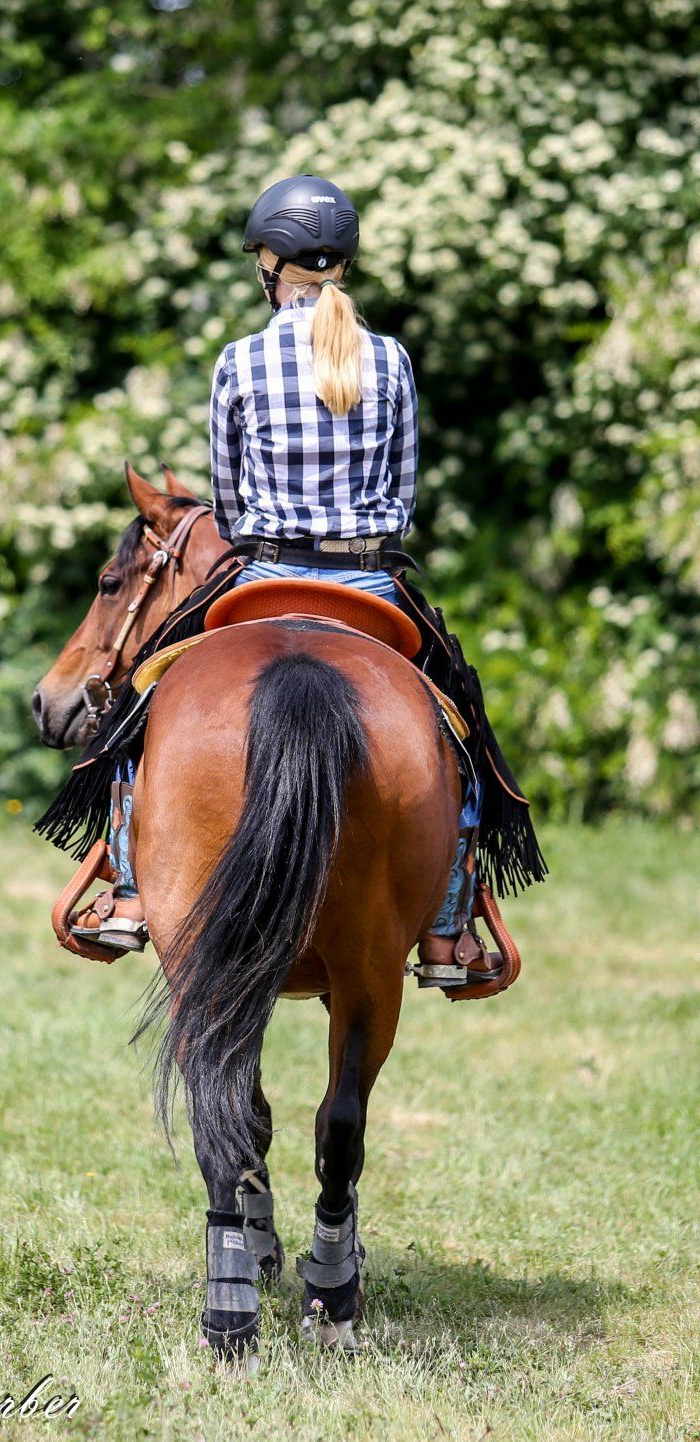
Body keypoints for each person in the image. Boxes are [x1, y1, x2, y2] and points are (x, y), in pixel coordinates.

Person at [71, 174, 533, 989]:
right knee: (458, 723)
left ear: (270, 264)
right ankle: (453, 924)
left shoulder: (239, 360)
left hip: (263, 575)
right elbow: (404, 495)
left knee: (142, 704)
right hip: (369, 585)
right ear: (340, 264)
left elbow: (231, 499)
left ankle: (132, 894)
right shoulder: (389, 360)